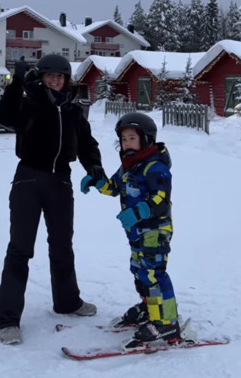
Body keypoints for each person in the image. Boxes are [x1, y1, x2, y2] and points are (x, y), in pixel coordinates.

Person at [0, 54, 106, 345]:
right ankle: (8, 319)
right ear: (42, 77)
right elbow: (5, 118)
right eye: (50, 75)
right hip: (28, 180)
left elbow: (86, 143)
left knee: (62, 245)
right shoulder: (28, 102)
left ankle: (67, 302)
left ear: (67, 79)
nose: (55, 80)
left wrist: (94, 165)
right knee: (20, 249)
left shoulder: (72, 110)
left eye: (60, 76)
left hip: (60, 182)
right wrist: (16, 82)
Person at [81, 112, 180, 348]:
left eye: (132, 138)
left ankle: (167, 323)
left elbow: (161, 200)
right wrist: (98, 182)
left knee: (153, 273)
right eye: (124, 139)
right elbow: (114, 187)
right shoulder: (129, 167)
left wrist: (138, 212)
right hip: (137, 233)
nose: (127, 143)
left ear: (146, 139)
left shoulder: (155, 167)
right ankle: (150, 308)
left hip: (155, 230)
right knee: (139, 270)